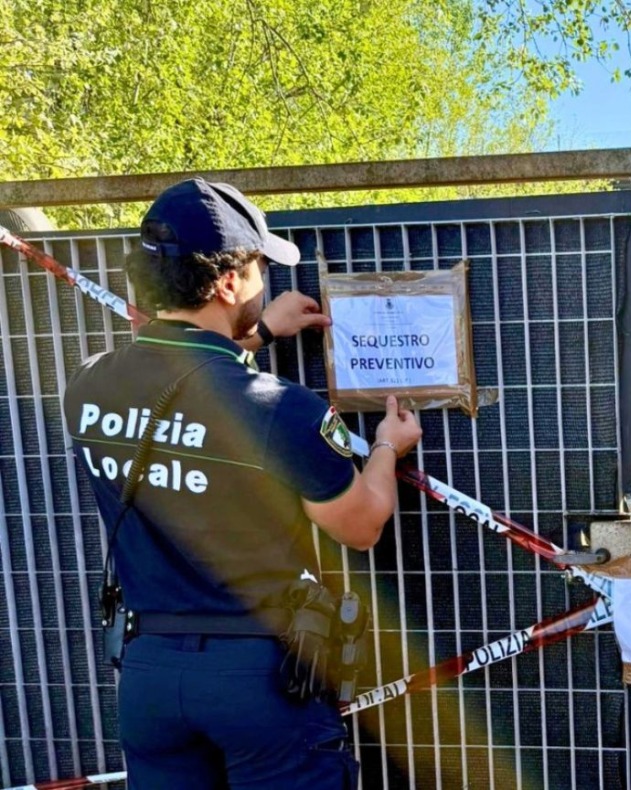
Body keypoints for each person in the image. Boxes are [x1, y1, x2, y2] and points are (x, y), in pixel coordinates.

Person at [61, 178, 422, 789]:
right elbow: (361, 526)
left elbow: (179, 378)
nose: (263, 284)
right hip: (260, 680)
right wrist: (387, 446)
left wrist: (259, 334)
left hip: (149, 677)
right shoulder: (280, 408)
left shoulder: (87, 385)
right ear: (229, 284)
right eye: (258, 270)